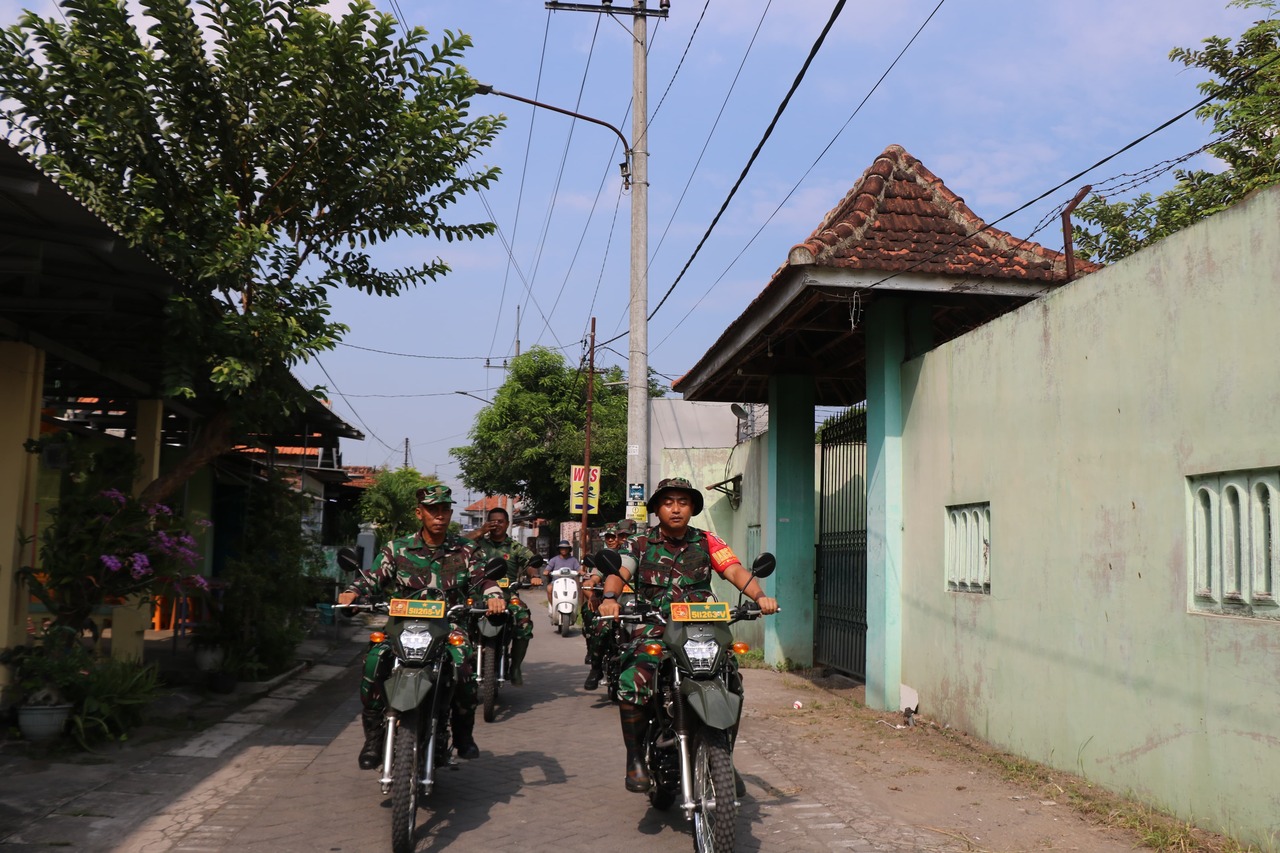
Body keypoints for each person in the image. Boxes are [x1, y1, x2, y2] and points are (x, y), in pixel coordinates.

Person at [597, 477, 778, 793]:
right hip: (652, 625)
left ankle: (723, 756)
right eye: (668, 502)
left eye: (683, 501)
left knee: (730, 678)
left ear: (693, 507)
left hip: (701, 628)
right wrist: (610, 599)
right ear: (657, 509)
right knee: (633, 679)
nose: (676, 508)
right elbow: (619, 571)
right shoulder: (638, 544)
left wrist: (759, 596)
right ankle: (635, 758)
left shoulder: (708, 541)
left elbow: (734, 570)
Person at [338, 484, 506, 769]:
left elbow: (483, 579)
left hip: (449, 625)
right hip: (401, 626)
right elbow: (372, 577)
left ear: (451, 513)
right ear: (420, 513)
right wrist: (352, 593)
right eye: (432, 510)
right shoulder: (398, 548)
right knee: (373, 661)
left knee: (464, 665)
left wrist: (494, 596)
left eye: (444, 510)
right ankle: (374, 737)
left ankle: (464, 736)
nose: (439, 515)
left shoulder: (465, 550)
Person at [468, 506, 540, 685]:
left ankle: (515, 667)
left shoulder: (515, 547)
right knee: (459, 618)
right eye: (493, 521)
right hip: (478, 595)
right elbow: (457, 546)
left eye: (500, 521)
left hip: (508, 597)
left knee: (523, 619)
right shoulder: (478, 544)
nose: (496, 525)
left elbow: (530, 562)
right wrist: (480, 531)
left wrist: (535, 576)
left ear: (508, 524)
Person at [581, 524, 623, 691]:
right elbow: (594, 576)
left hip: (635, 603)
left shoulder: (638, 554)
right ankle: (596, 667)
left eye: (616, 536)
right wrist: (591, 585)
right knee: (601, 625)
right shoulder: (605, 558)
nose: (612, 540)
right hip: (610, 604)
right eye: (608, 537)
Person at [542, 539, 580, 609]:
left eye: (566, 548)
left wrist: (581, 572)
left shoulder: (573, 560)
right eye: (562, 548)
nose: (564, 550)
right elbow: (547, 569)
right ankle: (553, 606)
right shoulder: (554, 560)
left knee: (576, 590)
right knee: (549, 588)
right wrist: (546, 571)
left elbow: (579, 569)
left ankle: (574, 608)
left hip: (570, 582)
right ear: (559, 549)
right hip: (556, 582)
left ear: (569, 549)